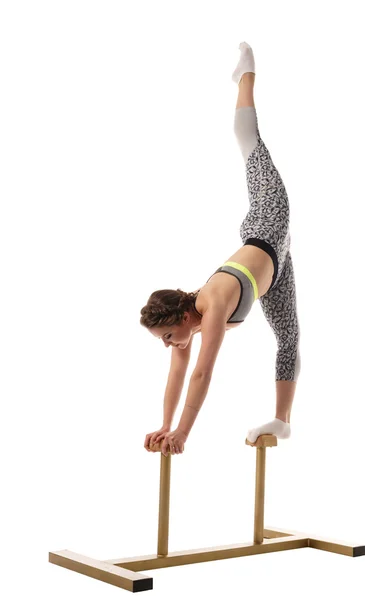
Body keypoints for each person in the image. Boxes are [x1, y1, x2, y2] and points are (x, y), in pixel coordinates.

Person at [140, 42, 301, 457]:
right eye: (164, 340)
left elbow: (202, 374)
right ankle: (283, 421)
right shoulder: (187, 329)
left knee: (246, 137)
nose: (168, 344)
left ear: (182, 315)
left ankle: (245, 74)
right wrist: (165, 425)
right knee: (288, 337)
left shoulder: (210, 307)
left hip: (270, 217)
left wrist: (184, 435)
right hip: (276, 268)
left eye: (168, 335)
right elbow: (176, 378)